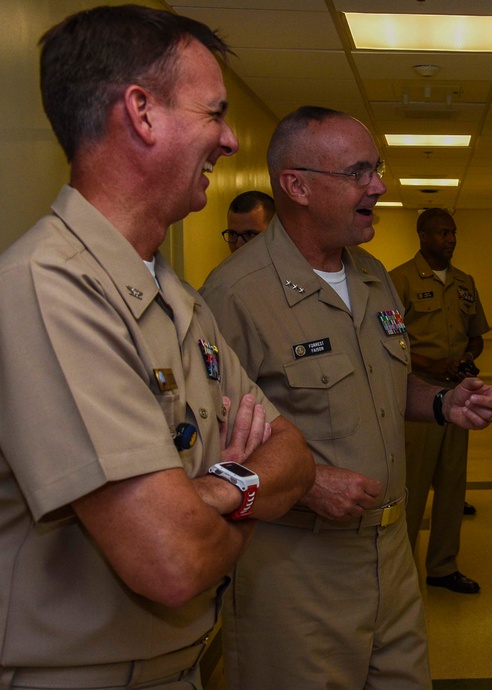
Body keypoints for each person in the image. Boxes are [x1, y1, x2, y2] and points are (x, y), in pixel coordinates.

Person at [0, 6, 315, 687]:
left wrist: (222, 490)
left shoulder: (175, 298)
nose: (231, 141)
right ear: (141, 112)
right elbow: (172, 561)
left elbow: (294, 455)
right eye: (214, 113)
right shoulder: (48, 290)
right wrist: (243, 498)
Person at [201, 106, 492, 689]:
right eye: (357, 172)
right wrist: (305, 482)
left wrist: (444, 403)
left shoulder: (372, 275)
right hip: (296, 569)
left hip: (394, 557)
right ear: (295, 185)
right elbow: (201, 452)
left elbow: (382, 384)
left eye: (375, 169)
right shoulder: (234, 296)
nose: (377, 186)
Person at [390, 209, 490, 594]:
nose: (449, 239)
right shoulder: (399, 281)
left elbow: (476, 334)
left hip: (458, 397)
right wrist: (435, 363)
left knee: (452, 486)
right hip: (418, 396)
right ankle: (402, 571)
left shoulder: (465, 283)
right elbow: (389, 344)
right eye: (442, 233)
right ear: (422, 236)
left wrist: (467, 358)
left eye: (453, 232)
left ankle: (443, 566)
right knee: (412, 487)